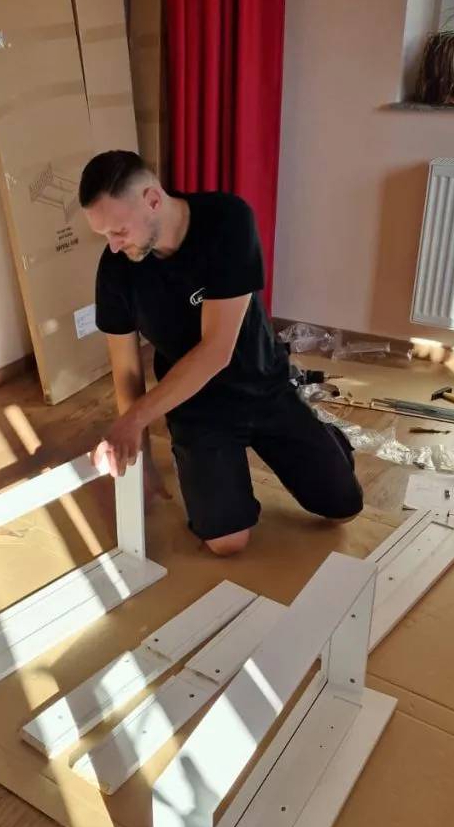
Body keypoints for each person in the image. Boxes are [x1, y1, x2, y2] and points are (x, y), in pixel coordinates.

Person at [80, 150, 362, 556]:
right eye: (105, 235)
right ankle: (206, 464)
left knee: (343, 508)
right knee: (227, 542)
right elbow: (125, 369)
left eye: (119, 230)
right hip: (196, 406)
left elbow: (216, 351)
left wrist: (135, 419)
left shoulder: (226, 221)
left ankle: (326, 440)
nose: (113, 245)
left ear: (153, 200)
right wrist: (140, 456)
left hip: (263, 385)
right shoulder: (116, 268)